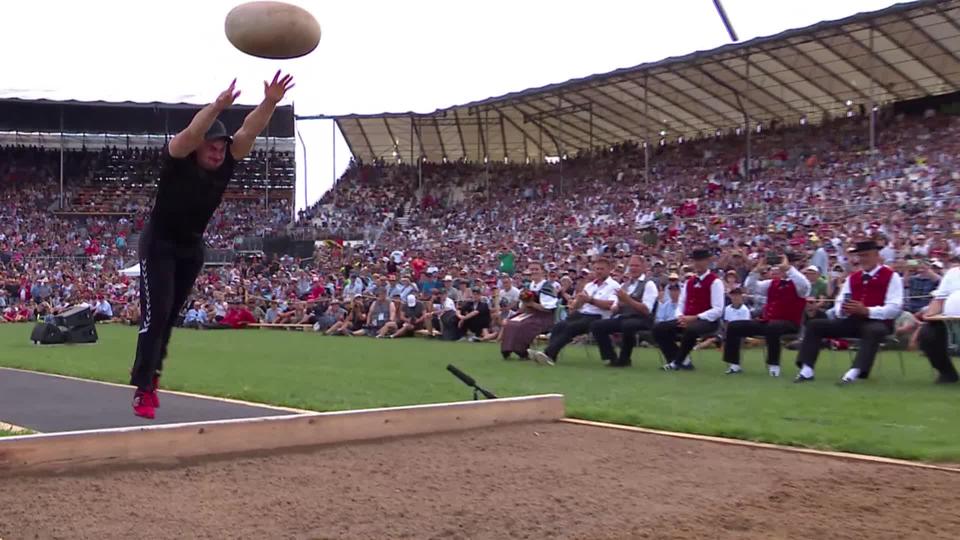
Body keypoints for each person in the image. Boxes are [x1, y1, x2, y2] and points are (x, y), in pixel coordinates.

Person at [128, 72, 294, 419]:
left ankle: (153, 378)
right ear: (199, 147)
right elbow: (190, 133)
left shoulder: (227, 161)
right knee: (155, 316)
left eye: (221, 147)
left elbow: (248, 131)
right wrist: (218, 105)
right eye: (212, 147)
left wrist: (269, 102)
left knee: (170, 318)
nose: (218, 153)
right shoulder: (177, 158)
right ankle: (143, 388)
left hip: (191, 247)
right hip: (159, 243)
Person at [793, 240, 903, 384]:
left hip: (879, 322)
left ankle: (855, 371)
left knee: (873, 330)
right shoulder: (853, 278)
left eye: (866, 255)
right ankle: (806, 370)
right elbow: (840, 301)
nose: (863, 259)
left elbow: (895, 307)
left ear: (876, 256)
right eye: (860, 256)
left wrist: (867, 311)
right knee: (815, 325)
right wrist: (843, 310)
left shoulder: (891, 276)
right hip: (853, 321)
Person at [724, 255, 810, 377]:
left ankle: (774, 366)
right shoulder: (771, 283)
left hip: (790, 323)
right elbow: (751, 287)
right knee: (734, 326)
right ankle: (734, 365)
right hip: (768, 322)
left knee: (773, 327)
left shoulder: (800, 284)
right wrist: (756, 271)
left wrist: (788, 269)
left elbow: (804, 286)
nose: (778, 270)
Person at [530, 257, 620, 366]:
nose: (599, 271)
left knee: (571, 328)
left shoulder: (613, 286)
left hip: (598, 316)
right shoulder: (590, 285)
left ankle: (548, 353)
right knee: (560, 326)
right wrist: (577, 302)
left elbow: (611, 305)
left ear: (609, 269)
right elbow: (579, 304)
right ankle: (551, 354)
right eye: (597, 269)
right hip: (583, 313)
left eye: (602, 269)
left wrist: (590, 300)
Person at [653, 248, 724, 371]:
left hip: (708, 321)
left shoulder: (715, 282)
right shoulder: (689, 282)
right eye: (696, 260)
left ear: (707, 261)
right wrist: (680, 316)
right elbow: (681, 303)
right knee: (659, 328)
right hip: (687, 318)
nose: (698, 263)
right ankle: (680, 359)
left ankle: (677, 362)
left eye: (701, 260)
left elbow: (718, 310)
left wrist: (696, 317)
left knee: (691, 329)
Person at [590, 255, 659, 367]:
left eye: (636, 265)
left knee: (628, 325)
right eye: (631, 265)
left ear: (644, 267)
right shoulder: (624, 285)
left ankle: (624, 359)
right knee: (597, 325)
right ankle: (611, 357)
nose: (633, 268)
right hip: (625, 317)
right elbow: (617, 305)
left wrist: (628, 300)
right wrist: (616, 307)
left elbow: (646, 310)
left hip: (642, 319)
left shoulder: (648, 284)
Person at [914, 258, 960, 383]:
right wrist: (929, 316)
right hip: (951, 322)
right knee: (928, 332)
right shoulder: (953, 273)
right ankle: (947, 373)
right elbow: (939, 299)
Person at [499, 262, 558, 360]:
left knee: (523, 325)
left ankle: (522, 351)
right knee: (510, 322)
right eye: (532, 269)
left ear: (542, 271)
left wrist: (532, 304)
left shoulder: (547, 286)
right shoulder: (529, 285)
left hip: (543, 317)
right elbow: (523, 305)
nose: (534, 272)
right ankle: (507, 350)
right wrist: (522, 307)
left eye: (536, 269)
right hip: (529, 313)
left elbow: (548, 308)